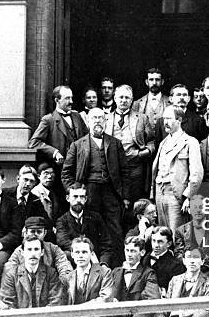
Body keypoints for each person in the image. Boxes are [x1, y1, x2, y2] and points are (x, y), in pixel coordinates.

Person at [62, 107, 130, 256]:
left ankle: (116, 264)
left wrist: (125, 196)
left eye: (101, 118)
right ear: (88, 121)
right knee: (91, 228)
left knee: (115, 229)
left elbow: (125, 171)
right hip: (88, 192)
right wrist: (73, 192)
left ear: (106, 121)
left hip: (111, 192)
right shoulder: (77, 145)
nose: (98, 121)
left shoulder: (115, 143)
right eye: (94, 118)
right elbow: (66, 173)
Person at [0, 234, 66, 317]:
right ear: (22, 252)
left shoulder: (50, 273)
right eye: (29, 249)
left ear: (42, 253)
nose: (33, 254)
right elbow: (6, 303)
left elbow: (56, 302)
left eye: (36, 250)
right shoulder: (11, 275)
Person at [55, 237, 113, 317]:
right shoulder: (69, 277)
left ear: (91, 254)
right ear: (72, 254)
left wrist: (81, 307)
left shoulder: (103, 272)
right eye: (77, 252)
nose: (80, 255)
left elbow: (106, 299)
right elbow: (62, 304)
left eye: (84, 252)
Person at [106, 236, 164, 317]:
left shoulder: (148, 273)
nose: (129, 254)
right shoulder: (115, 272)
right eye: (127, 250)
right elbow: (106, 294)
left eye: (133, 251)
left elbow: (152, 300)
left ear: (142, 252)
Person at [152, 105, 203, 234]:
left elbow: (196, 174)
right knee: (163, 233)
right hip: (160, 193)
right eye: (164, 119)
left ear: (179, 120)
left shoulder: (190, 142)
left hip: (177, 194)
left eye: (169, 118)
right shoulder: (163, 143)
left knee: (177, 234)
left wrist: (188, 197)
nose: (166, 122)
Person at [105, 84, 156, 201]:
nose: (124, 100)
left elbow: (152, 141)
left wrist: (145, 152)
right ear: (115, 98)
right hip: (112, 169)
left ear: (132, 100)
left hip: (134, 169)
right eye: (121, 97)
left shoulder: (142, 118)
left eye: (127, 98)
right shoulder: (105, 119)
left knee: (134, 203)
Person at [28, 85, 88, 167]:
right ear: (57, 100)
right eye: (67, 98)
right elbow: (33, 143)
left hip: (79, 168)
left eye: (71, 98)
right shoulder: (48, 119)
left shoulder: (77, 116)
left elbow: (87, 138)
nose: (71, 101)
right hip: (60, 169)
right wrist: (54, 152)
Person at [55, 183, 114, 266]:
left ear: (86, 199)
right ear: (67, 198)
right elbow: (63, 242)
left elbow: (106, 243)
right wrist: (86, 254)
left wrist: (103, 264)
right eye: (75, 196)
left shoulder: (95, 217)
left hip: (96, 261)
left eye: (82, 197)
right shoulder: (62, 221)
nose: (78, 200)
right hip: (75, 262)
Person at [5, 216, 73, 286]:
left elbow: (64, 265)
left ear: (45, 233)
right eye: (32, 231)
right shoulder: (20, 251)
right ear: (26, 233)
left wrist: (61, 283)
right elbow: (10, 268)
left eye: (39, 232)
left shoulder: (53, 249)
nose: (35, 235)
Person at [4, 165, 53, 242]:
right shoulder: (5, 195)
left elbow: (46, 221)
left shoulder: (35, 200)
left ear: (35, 184)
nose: (28, 184)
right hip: (8, 238)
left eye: (31, 181)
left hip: (27, 239)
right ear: (18, 179)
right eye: (25, 180)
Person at [141, 226, 185, 294]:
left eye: (160, 242)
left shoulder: (176, 265)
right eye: (154, 241)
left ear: (169, 244)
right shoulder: (144, 258)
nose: (156, 245)